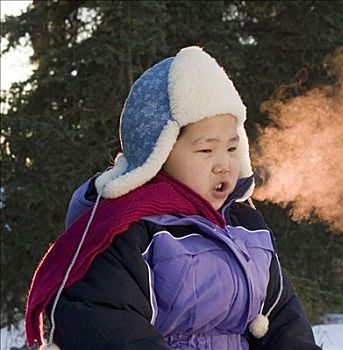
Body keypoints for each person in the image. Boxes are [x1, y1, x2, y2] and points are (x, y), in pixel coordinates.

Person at [25, 46, 320, 350]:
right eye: (206, 150)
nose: (223, 163)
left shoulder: (246, 228)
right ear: (159, 153)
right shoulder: (124, 233)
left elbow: (283, 318)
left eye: (232, 148)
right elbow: (110, 327)